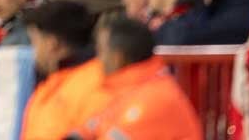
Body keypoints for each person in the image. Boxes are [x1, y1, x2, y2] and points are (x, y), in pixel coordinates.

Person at [71, 18, 203, 140]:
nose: (97, 59)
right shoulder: (127, 91)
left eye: (101, 51)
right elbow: (92, 126)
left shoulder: (152, 100)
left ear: (117, 58)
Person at [20, 0, 106, 140]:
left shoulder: (95, 85)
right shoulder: (49, 85)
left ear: (52, 44)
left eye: (34, 41)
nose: (33, 51)